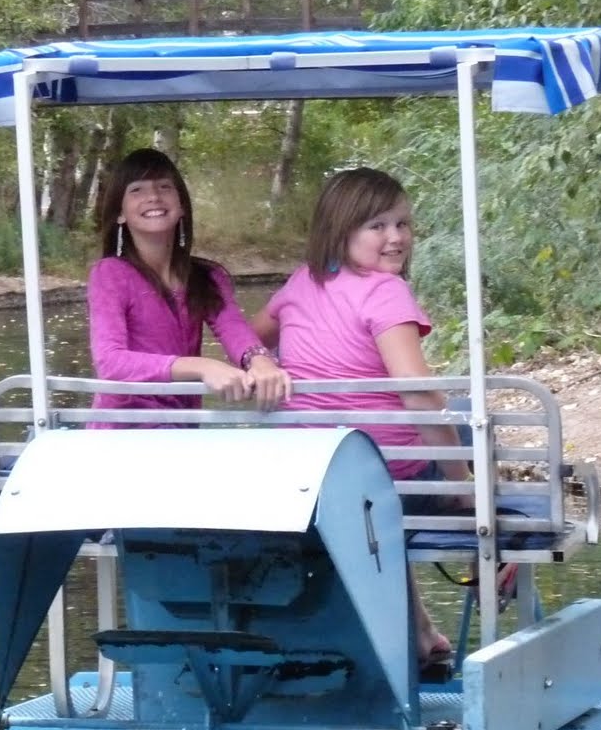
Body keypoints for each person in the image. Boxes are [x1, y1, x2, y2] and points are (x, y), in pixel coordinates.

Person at [252, 166, 463, 669]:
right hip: (387, 480)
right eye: (378, 226)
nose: (396, 238)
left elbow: (251, 332)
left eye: (403, 224)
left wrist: (263, 362)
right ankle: (498, 591)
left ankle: (420, 629)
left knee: (378, 501)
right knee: (477, 471)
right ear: (341, 229)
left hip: (312, 477)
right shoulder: (386, 292)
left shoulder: (304, 281)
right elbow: (417, 395)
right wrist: (461, 479)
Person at [88, 148, 288, 421]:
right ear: (119, 213)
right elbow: (110, 362)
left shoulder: (207, 276)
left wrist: (261, 361)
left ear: (181, 206)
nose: (153, 197)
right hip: (123, 435)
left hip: (183, 432)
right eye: (137, 190)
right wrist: (201, 367)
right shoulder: (110, 273)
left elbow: (234, 329)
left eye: (164, 187)